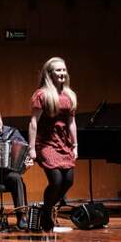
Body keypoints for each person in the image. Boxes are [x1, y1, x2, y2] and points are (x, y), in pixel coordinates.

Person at [28, 57, 78, 231]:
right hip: (46, 143)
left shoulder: (69, 95)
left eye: (64, 70)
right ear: (49, 74)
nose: (62, 73)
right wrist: (32, 148)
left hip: (63, 143)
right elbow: (33, 122)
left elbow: (72, 123)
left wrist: (75, 145)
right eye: (58, 70)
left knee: (69, 180)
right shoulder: (41, 95)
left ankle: (46, 208)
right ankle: (47, 212)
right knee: (56, 180)